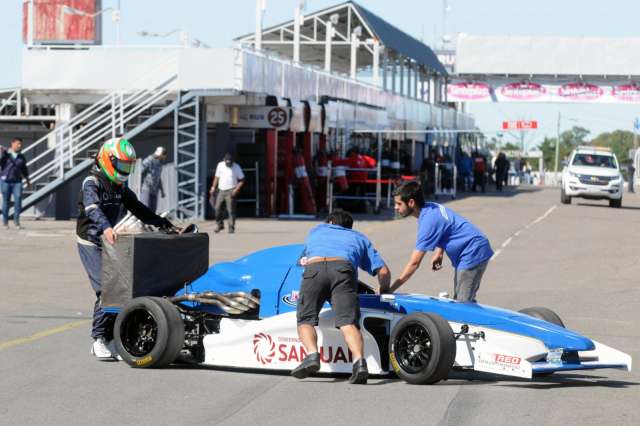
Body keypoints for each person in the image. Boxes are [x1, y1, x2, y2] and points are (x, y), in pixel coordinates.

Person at [76, 137, 174, 360]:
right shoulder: (92, 182)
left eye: (128, 166)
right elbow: (92, 208)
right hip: (91, 241)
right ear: (108, 160)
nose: (124, 171)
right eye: (121, 165)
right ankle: (98, 340)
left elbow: (138, 208)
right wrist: (106, 227)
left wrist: (163, 223)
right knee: (106, 289)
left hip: (110, 241)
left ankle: (113, 339)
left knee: (124, 287)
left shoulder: (119, 186)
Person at [291, 209, 391, 385]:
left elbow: (301, 262)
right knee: (348, 323)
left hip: (314, 269)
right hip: (343, 271)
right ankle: (359, 363)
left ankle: (312, 355)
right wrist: (383, 289)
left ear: (330, 222)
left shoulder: (317, 231)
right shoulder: (358, 237)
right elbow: (383, 272)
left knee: (305, 319)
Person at [387, 181, 493, 302]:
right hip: (473, 248)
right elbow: (444, 227)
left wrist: (390, 289)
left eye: (399, 204)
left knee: (463, 303)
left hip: (472, 251)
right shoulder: (430, 207)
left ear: (411, 202)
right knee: (462, 299)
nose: (395, 207)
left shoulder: (428, 221)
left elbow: (414, 263)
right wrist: (439, 252)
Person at [0, 138, 31, 230]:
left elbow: (24, 169)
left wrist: (28, 180)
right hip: (5, 181)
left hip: (17, 182)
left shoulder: (21, 156)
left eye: (20, 144)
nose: (19, 146)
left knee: (18, 200)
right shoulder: (6, 155)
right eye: (18, 144)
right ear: (12, 143)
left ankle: (16, 222)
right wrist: (2, 152)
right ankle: (5, 222)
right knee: (6, 201)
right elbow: (1, 162)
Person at [209, 153, 244, 234]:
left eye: (230, 163)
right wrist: (213, 187)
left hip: (231, 190)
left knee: (231, 210)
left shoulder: (236, 167)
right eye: (227, 163)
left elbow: (242, 180)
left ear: (232, 161)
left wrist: (236, 190)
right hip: (221, 190)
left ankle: (231, 227)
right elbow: (217, 177)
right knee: (217, 208)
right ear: (224, 160)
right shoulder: (220, 165)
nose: (228, 164)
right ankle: (219, 225)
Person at [139, 146, 167, 213]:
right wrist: (138, 184)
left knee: (153, 210)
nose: (165, 158)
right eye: (164, 156)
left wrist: (162, 191)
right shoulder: (148, 161)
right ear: (161, 155)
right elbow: (139, 173)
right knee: (145, 208)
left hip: (154, 190)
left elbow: (158, 178)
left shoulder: (159, 164)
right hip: (146, 188)